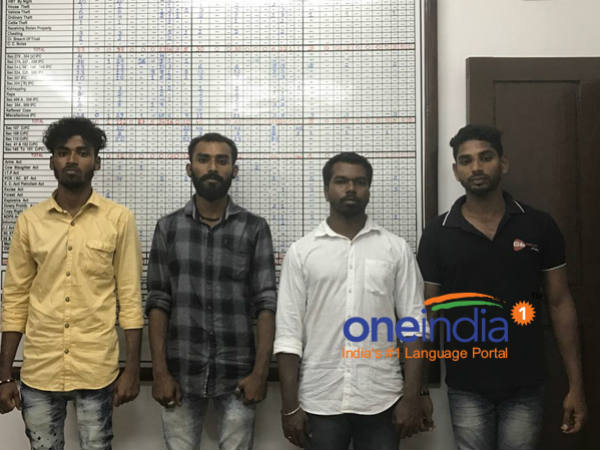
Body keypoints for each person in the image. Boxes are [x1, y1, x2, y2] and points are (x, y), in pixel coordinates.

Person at [417, 124, 587, 450]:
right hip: (466, 384)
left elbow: (560, 303)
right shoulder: (438, 233)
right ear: (456, 171)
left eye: (486, 157)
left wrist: (576, 386)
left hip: (526, 383)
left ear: (503, 163)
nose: (476, 167)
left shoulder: (539, 225)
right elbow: (428, 313)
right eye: (466, 160)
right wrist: (420, 387)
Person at [0, 117, 144, 450]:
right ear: (52, 161)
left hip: (97, 368)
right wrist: (5, 374)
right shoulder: (29, 222)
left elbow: (130, 297)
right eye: (63, 152)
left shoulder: (118, 219)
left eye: (82, 152)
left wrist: (133, 369)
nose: (72, 160)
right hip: (40, 369)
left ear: (96, 161)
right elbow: (15, 299)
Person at [274, 152, 432, 450]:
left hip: (382, 399)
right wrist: (289, 406)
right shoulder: (301, 252)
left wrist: (411, 397)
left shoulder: (396, 249)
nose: (351, 189)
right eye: (341, 181)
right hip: (320, 400)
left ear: (368, 190)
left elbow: (414, 328)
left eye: (359, 182)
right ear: (326, 190)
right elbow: (288, 334)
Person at [146, 133, 277, 450]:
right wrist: (159, 372)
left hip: (239, 375)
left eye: (222, 160)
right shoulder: (168, 228)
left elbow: (265, 304)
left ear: (234, 169)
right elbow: (158, 301)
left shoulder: (254, 228)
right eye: (203, 159)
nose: (213, 168)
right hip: (180, 373)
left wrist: (261, 373)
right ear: (189, 168)